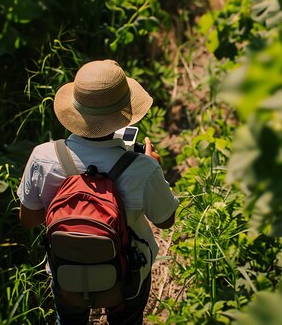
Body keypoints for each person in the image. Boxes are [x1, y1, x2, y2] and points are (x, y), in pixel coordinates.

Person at [17, 59, 179, 325]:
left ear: (75, 111)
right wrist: (153, 165)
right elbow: (166, 220)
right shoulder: (142, 167)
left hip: (65, 268)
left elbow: (28, 220)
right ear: (125, 113)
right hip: (130, 271)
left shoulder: (43, 157)